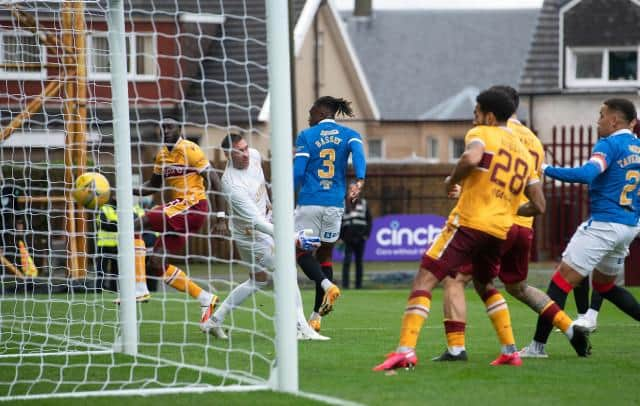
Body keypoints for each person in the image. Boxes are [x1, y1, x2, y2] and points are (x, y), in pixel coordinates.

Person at [373, 89, 544, 371]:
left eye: (476, 113)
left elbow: (470, 159)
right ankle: (510, 350)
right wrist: (509, 210)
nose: (473, 118)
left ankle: (405, 350)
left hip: (468, 222)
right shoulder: (525, 152)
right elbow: (539, 204)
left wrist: (450, 180)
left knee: (425, 278)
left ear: (488, 116)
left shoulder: (482, 134)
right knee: (484, 284)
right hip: (499, 229)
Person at [432, 85, 590, 362]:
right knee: (518, 287)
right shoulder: (532, 139)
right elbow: (531, 185)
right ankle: (569, 327)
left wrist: (460, 187)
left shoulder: (494, 134)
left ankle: (459, 348)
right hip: (524, 225)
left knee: (456, 278)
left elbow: (486, 173)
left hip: (495, 220)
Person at [520, 98, 640, 358]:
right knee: (605, 286)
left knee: (560, 282)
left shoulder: (609, 144)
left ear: (613, 120)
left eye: (601, 115)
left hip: (604, 224)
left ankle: (537, 347)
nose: (597, 121)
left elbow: (587, 174)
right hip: (629, 226)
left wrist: (545, 168)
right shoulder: (638, 147)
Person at [200, 133, 327, 340]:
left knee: (258, 281)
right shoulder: (231, 185)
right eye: (239, 151)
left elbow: (262, 185)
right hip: (252, 237)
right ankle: (300, 327)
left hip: (260, 228)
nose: (245, 153)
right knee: (286, 269)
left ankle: (214, 321)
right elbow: (258, 223)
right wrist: (292, 237)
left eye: (245, 148)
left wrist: (271, 206)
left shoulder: (255, 155)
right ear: (227, 154)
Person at [133, 117, 227, 328]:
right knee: (156, 265)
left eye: (170, 126)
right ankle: (204, 297)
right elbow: (153, 185)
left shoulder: (190, 149)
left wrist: (221, 218)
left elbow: (215, 181)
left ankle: (139, 287)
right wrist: (126, 190)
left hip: (193, 207)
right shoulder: (162, 155)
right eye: (162, 127)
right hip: (179, 211)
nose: (165, 130)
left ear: (180, 129)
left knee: (137, 224)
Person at [293, 96, 367, 333]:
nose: (308, 118)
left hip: (310, 202)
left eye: (311, 113)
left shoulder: (306, 135)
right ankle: (316, 317)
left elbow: (297, 172)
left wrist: (285, 195)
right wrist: (359, 180)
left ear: (322, 113)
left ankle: (327, 285)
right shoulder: (349, 134)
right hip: (335, 204)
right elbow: (359, 156)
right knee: (325, 254)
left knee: (299, 251)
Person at [95, 197, 146, 292]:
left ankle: (114, 290)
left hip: (118, 246)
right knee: (101, 271)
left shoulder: (128, 209)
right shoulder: (105, 208)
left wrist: (113, 223)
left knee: (116, 272)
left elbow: (133, 223)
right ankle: (98, 290)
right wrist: (120, 225)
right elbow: (103, 224)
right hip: (104, 245)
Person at [340, 181, 372, 289]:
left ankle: (359, 286)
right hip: (347, 238)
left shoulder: (363, 203)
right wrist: (340, 237)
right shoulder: (343, 204)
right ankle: (345, 285)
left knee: (359, 262)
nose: (353, 192)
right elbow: (339, 221)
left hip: (360, 237)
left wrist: (366, 235)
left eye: (355, 190)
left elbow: (369, 220)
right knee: (346, 262)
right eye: (351, 189)